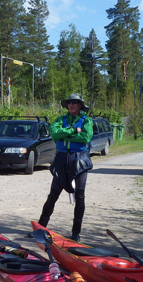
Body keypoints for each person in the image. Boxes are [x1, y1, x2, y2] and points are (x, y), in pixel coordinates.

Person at [33, 93, 93, 242]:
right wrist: (73, 131)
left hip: (79, 159)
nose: (71, 105)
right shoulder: (60, 120)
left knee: (80, 196)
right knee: (53, 195)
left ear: (80, 105)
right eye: (69, 102)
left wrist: (64, 135)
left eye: (75, 102)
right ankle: (41, 228)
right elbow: (54, 134)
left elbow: (86, 137)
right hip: (61, 159)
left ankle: (75, 233)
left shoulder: (87, 121)